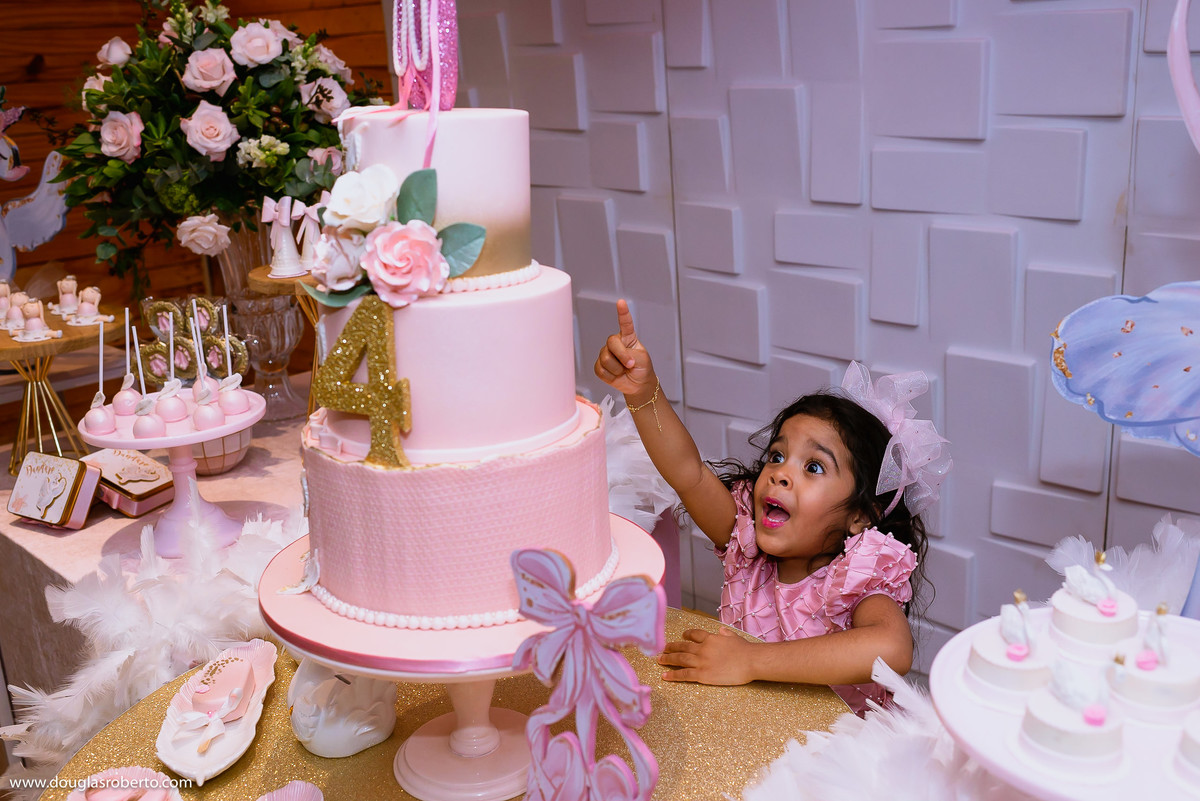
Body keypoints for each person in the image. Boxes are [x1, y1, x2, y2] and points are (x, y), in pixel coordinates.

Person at [594, 300, 952, 713]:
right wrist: (643, 392)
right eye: (777, 456)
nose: (781, 473)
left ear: (862, 515)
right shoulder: (746, 544)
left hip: (825, 759)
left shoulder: (855, 581)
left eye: (814, 466)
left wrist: (751, 660)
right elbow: (688, 471)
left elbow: (891, 649)